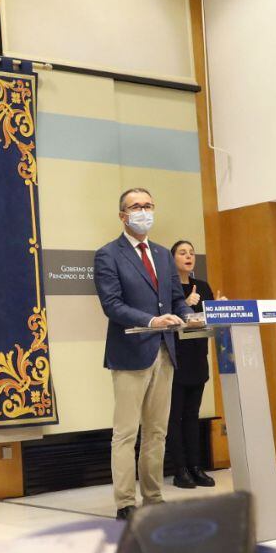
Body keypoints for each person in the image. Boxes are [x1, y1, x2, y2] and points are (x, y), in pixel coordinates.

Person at [93, 188, 195, 521]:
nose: (143, 211)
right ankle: (125, 502)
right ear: (122, 215)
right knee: (125, 433)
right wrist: (151, 320)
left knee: (156, 431)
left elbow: (176, 298)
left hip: (165, 351)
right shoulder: (108, 255)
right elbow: (112, 305)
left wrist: (190, 316)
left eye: (148, 205)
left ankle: (153, 496)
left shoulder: (164, 255)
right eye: (136, 206)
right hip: (130, 353)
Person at [166, 240, 222, 489]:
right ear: (172, 259)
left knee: (192, 415)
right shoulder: (167, 287)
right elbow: (166, 321)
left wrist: (218, 309)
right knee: (174, 416)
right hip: (175, 359)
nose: (188, 256)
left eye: (191, 253)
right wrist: (185, 305)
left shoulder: (203, 286)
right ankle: (180, 470)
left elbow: (207, 321)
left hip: (198, 358)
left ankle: (196, 467)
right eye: (182, 253)